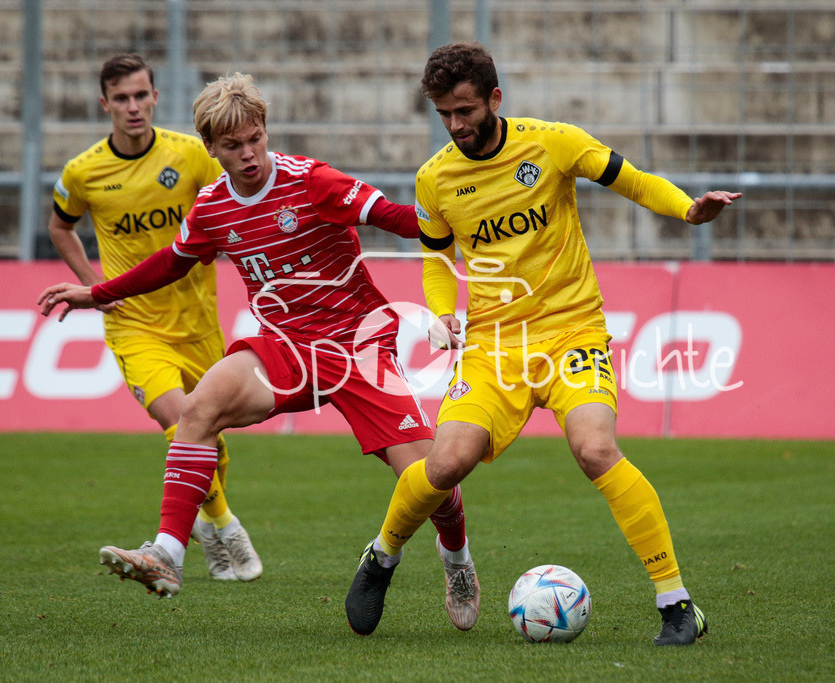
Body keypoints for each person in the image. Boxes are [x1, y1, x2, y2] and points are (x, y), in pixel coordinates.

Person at [38, 73, 480, 631]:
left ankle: (457, 559)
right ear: (210, 148)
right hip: (285, 348)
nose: (248, 154)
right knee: (198, 410)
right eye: (232, 146)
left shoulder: (313, 181)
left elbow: (399, 218)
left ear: (265, 130)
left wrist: (472, 228)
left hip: (358, 345)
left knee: (432, 478)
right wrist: (95, 293)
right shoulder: (213, 208)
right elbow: (170, 263)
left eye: (255, 139)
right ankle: (168, 555)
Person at [345, 42, 741, 645]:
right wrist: (439, 313)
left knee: (595, 450)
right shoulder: (435, 178)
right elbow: (434, 257)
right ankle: (383, 555)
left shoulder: (552, 142)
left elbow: (632, 182)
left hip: (571, 331)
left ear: (495, 99)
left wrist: (688, 209)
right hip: (491, 347)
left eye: (466, 111)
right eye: (444, 115)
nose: (456, 126)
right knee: (446, 463)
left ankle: (677, 605)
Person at [47, 54, 261, 582]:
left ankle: (207, 530)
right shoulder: (83, 171)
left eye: (141, 95)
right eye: (121, 98)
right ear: (105, 104)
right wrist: (95, 287)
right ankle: (223, 526)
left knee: (209, 436)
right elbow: (60, 225)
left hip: (198, 321)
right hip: (135, 325)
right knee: (180, 419)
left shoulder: (190, 155)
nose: (133, 107)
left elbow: (235, 200)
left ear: (155, 97)